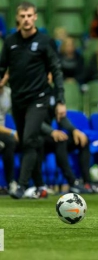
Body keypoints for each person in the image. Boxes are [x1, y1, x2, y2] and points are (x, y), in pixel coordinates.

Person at [0, 1, 66, 199]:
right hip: (18, 100)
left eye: (30, 15)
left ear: (35, 17)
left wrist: (60, 100)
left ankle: (20, 186)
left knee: (28, 139)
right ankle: (39, 185)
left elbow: (56, 69)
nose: (26, 19)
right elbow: (2, 69)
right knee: (31, 141)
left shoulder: (45, 41)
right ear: (18, 19)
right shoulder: (10, 42)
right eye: (23, 16)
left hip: (39, 98)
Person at [40, 90, 93, 194]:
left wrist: (74, 130)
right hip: (38, 136)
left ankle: (87, 183)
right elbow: (35, 121)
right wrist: (52, 131)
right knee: (61, 140)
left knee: (82, 140)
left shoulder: (53, 94)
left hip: (51, 136)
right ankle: (72, 182)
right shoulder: (34, 93)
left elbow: (61, 118)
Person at [0, 73, 18, 194]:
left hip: (2, 132)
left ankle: (24, 184)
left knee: (31, 140)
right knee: (10, 141)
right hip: (4, 132)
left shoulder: (8, 93)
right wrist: (12, 132)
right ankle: (11, 181)